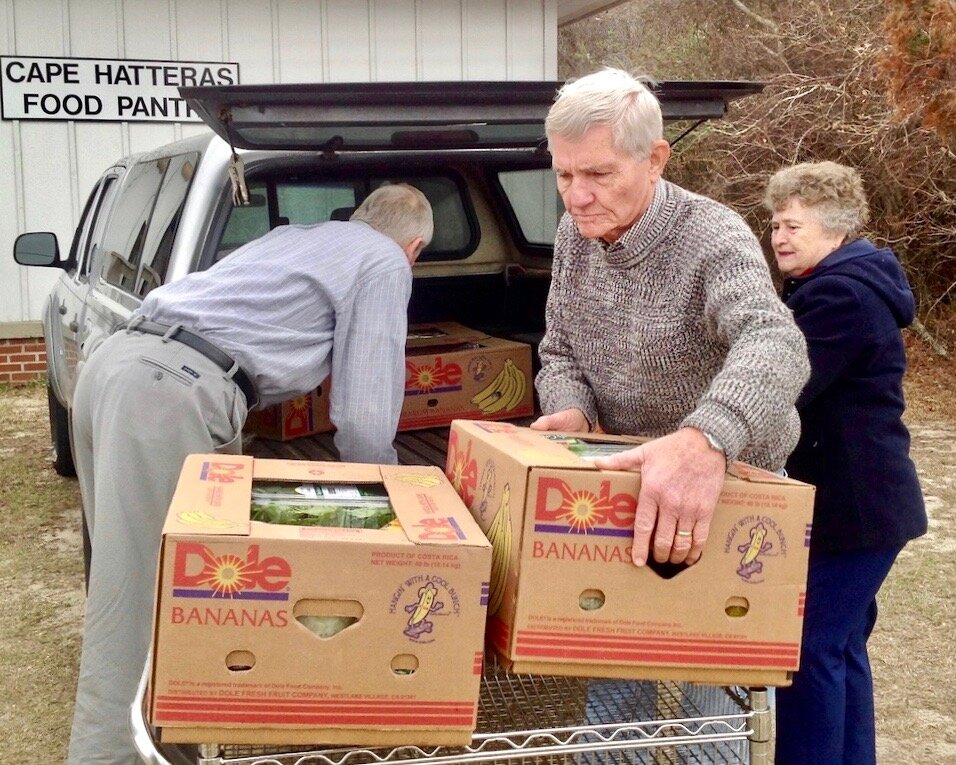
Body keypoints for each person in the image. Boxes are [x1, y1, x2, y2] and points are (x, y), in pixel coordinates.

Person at [67, 183, 434, 764]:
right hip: (166, 393)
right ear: (413, 248)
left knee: (129, 583)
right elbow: (365, 415)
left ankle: (169, 750)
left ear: (359, 216)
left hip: (116, 367)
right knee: (144, 609)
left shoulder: (298, 237)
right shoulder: (384, 261)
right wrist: (383, 510)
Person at [531, 68, 810, 568]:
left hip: (731, 492)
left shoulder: (713, 235)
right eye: (564, 174)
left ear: (655, 159)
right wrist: (573, 410)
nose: (575, 196)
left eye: (598, 174)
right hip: (628, 487)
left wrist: (707, 439)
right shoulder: (575, 236)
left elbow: (774, 341)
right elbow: (560, 350)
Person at [764, 161, 927, 765]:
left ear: (834, 231)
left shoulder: (838, 294)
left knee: (810, 649)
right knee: (843, 646)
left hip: (854, 509)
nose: (779, 236)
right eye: (775, 224)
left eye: (792, 226)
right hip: (868, 503)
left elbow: (782, 386)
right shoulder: (842, 282)